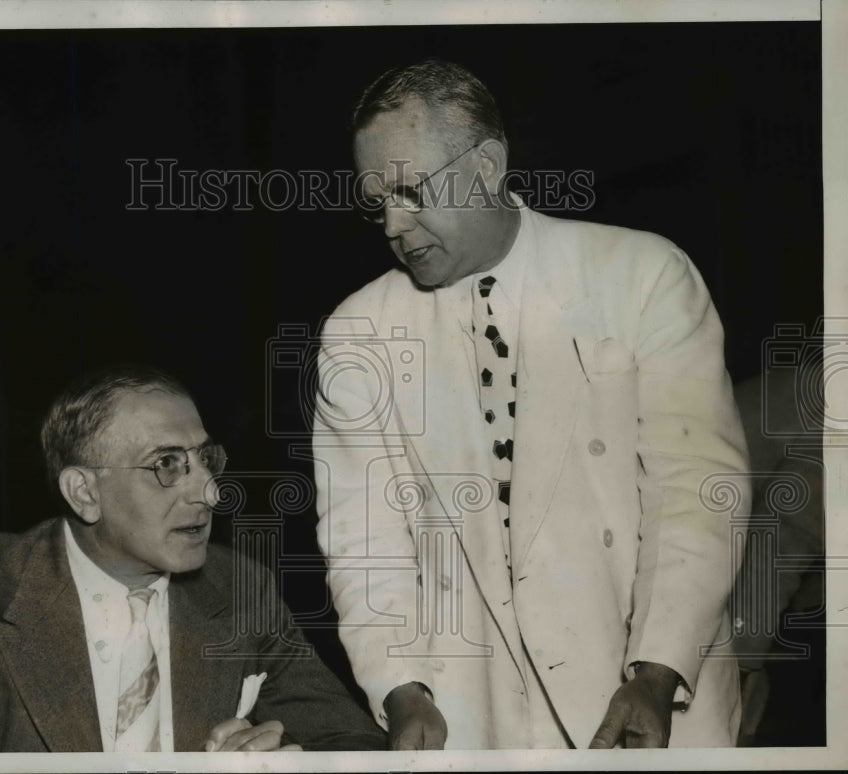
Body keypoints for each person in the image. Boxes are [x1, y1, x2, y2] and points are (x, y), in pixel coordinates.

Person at [312, 59, 750, 750]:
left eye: (410, 190)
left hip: (652, 697)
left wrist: (657, 672)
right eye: (376, 201)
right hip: (475, 713)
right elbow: (364, 541)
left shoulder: (643, 275)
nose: (392, 224)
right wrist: (401, 688)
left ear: (486, 165)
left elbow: (698, 490)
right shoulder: (356, 333)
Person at [0, 364, 386, 752]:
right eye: (166, 464)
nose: (209, 493)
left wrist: (286, 762)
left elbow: (352, 744)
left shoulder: (241, 588)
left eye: (205, 460)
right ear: (84, 492)